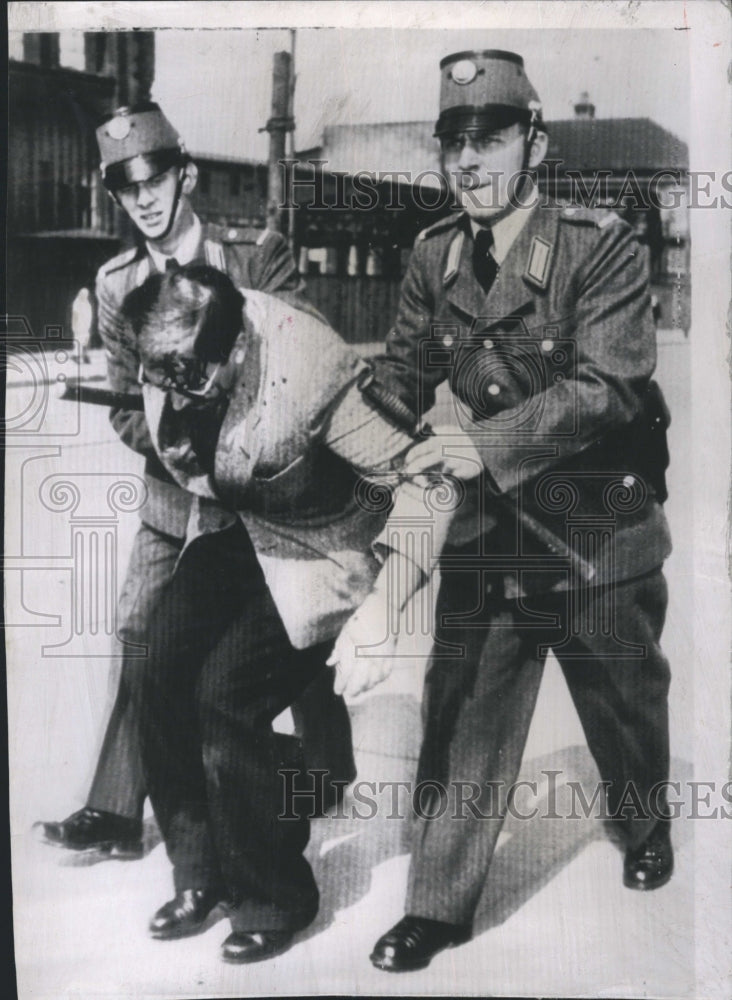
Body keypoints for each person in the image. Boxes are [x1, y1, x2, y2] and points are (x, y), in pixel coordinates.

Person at [338, 49, 674, 972]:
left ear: (535, 140)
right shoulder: (434, 254)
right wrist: (338, 403)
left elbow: (609, 384)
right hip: (496, 531)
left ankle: (643, 824)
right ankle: (439, 905)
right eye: (454, 144)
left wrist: (483, 443)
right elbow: (404, 375)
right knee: (464, 710)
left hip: (599, 525)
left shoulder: (598, 242)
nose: (470, 163)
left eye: (489, 140)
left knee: (623, 700)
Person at [119, 264, 478, 962]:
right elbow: (175, 420)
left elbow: (429, 485)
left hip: (322, 545)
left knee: (226, 702)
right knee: (156, 669)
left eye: (189, 377)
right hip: (238, 522)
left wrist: (385, 606)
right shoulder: (169, 341)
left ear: (242, 349)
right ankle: (202, 871)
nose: (169, 390)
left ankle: (276, 892)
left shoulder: (310, 368)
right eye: (158, 375)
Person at [37, 102, 355, 860]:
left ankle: (324, 764)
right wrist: (180, 447)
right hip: (171, 495)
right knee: (145, 635)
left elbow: (300, 365)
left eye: (154, 179)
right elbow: (123, 409)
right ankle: (117, 809)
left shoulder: (257, 254)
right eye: (125, 187)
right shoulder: (117, 285)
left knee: (290, 622)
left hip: (267, 491)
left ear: (185, 174)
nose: (143, 199)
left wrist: (237, 451)